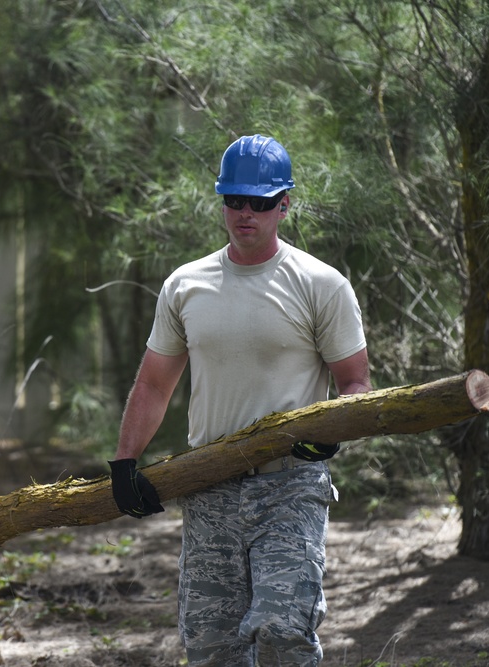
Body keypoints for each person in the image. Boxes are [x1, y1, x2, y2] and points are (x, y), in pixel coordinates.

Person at [108, 134, 372, 666]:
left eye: (259, 202)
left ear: (284, 205)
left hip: (290, 486)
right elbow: (155, 384)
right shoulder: (186, 284)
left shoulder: (322, 285)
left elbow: (356, 383)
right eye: (234, 200)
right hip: (209, 489)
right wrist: (124, 463)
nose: (244, 213)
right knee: (212, 649)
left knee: (282, 630)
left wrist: (331, 435)